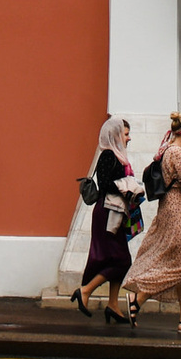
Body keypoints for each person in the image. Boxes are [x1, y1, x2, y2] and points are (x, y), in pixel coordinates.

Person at [125, 110, 181, 336]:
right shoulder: (178, 153)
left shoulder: (166, 150)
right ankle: (138, 297)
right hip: (179, 211)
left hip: (172, 208)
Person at [70, 116, 142, 322]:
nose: (128, 139)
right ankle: (85, 290)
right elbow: (105, 184)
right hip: (107, 212)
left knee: (117, 258)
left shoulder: (118, 156)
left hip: (114, 212)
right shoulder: (109, 156)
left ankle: (112, 304)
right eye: (126, 134)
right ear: (116, 135)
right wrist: (127, 188)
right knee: (122, 260)